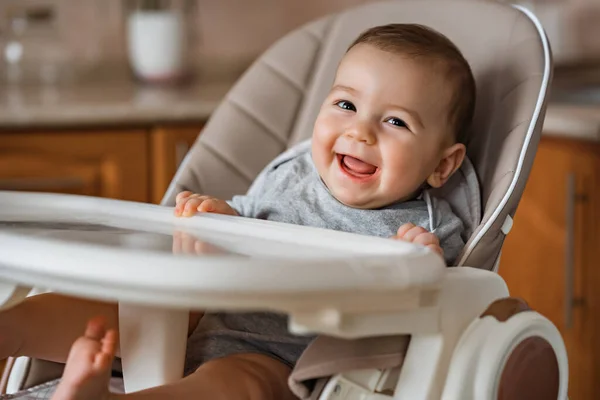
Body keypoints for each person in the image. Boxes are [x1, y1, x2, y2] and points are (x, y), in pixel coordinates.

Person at [2, 23, 476, 400]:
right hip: (207, 312)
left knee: (241, 387)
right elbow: (248, 216)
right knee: (134, 305)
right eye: (346, 104)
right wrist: (219, 218)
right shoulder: (294, 172)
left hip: (282, 354)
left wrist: (419, 262)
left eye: (395, 121)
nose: (361, 132)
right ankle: (14, 329)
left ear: (442, 164)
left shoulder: (423, 227)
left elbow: (438, 300)